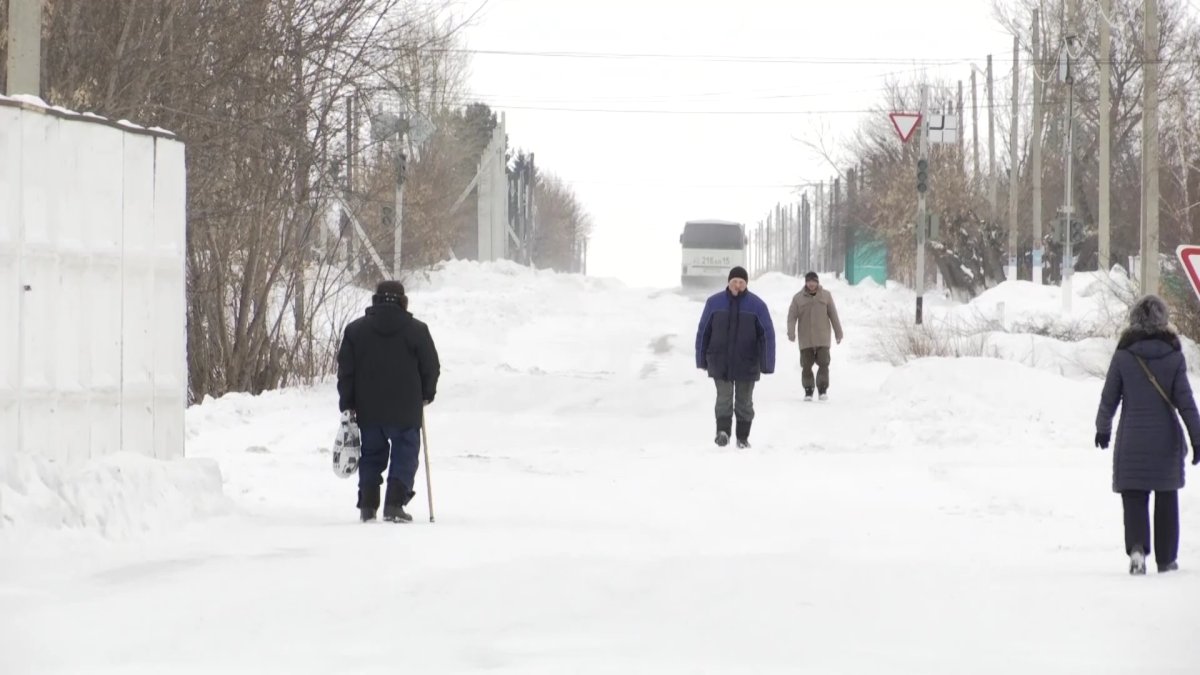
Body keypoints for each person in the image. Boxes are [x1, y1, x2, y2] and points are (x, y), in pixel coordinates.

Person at [1095, 294, 1200, 574]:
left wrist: (1102, 428)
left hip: (1132, 440)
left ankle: (1138, 549)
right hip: (1165, 442)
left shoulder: (1123, 356)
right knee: (1166, 497)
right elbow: (1186, 402)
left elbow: (1109, 399)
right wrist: (1197, 437)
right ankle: (1166, 559)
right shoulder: (1174, 357)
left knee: (1134, 496)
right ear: (1163, 320)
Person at [337, 280, 440, 523]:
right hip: (406, 408)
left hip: (368, 408)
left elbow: (346, 372)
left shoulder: (355, 331)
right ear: (403, 301)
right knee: (405, 452)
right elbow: (431, 367)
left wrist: (348, 403)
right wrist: (427, 393)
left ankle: (368, 506)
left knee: (371, 454)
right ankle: (394, 504)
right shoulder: (417, 330)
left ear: (376, 299)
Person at [695, 266, 776, 448]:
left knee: (744, 401)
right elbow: (703, 332)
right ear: (729, 282)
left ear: (746, 284)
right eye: (734, 282)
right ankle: (722, 432)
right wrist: (701, 358)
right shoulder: (714, 303)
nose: (737, 286)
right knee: (723, 398)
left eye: (741, 282)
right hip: (719, 360)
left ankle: (742, 437)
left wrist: (767, 363)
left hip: (747, 362)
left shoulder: (757, 306)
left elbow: (767, 335)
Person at [786, 271, 843, 401]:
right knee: (806, 365)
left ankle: (822, 389)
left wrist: (838, 333)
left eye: (814, 281)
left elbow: (833, 315)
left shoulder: (826, 296)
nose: (811, 284)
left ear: (817, 282)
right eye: (809, 281)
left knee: (824, 363)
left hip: (823, 337)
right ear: (806, 283)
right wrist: (791, 332)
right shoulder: (798, 298)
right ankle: (808, 390)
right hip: (806, 338)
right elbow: (791, 317)